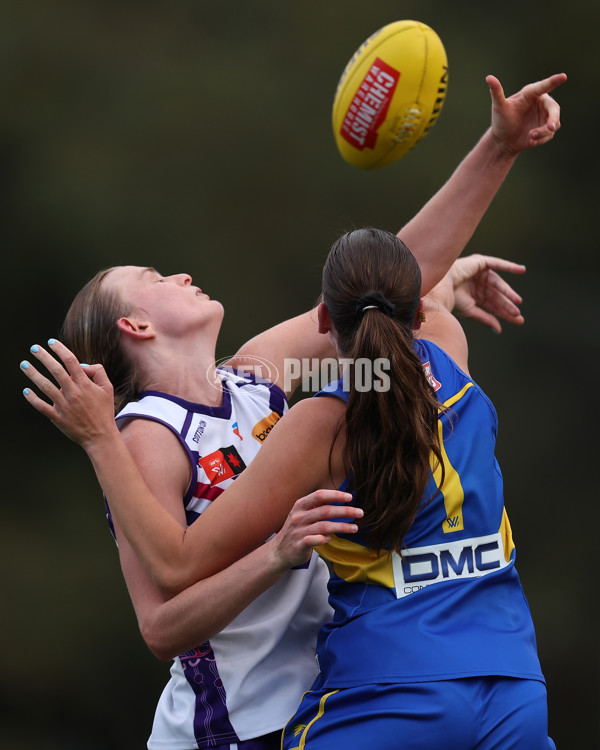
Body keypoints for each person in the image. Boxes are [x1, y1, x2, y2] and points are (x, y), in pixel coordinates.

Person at [20, 72, 565, 750]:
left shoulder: (256, 374)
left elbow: (376, 292)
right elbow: (163, 628)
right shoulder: (144, 436)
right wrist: (273, 556)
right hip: (239, 725)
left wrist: (496, 150)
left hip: (340, 694)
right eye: (155, 280)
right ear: (134, 327)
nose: (181, 275)